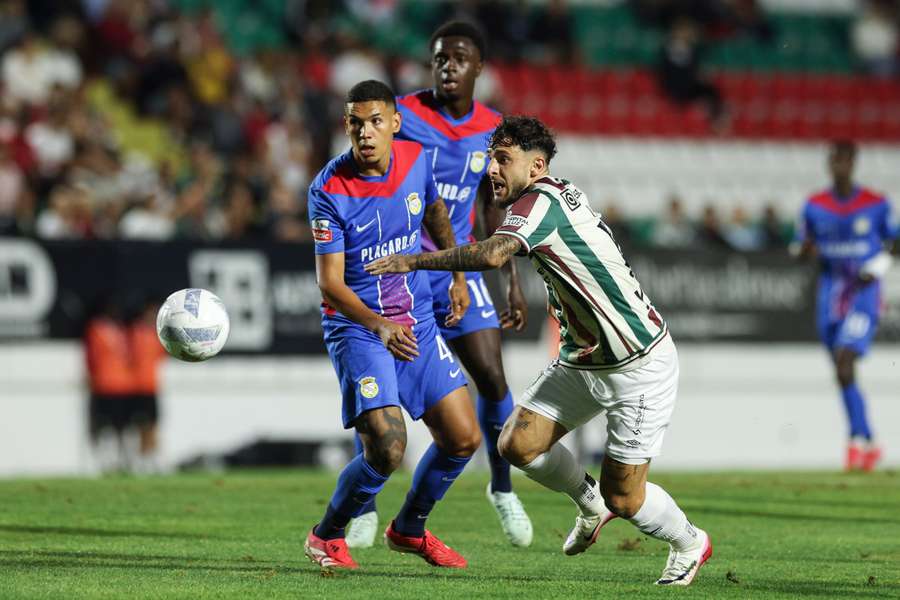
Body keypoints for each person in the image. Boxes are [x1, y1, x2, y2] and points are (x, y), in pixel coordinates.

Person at [367, 115, 713, 586]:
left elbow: (491, 253)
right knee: (517, 444)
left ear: (536, 166)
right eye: (491, 157)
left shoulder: (540, 200)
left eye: (503, 159)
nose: (492, 168)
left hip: (638, 365)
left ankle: (690, 541)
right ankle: (589, 504)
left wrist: (414, 259)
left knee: (625, 498)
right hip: (584, 360)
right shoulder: (545, 197)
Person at [345, 20, 533, 550]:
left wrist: (511, 281)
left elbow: (494, 204)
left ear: (479, 67)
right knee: (380, 392)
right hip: (402, 268)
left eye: (458, 58)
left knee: (493, 379)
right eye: (439, 58)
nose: (447, 66)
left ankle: (501, 488)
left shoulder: (493, 128)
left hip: (461, 267)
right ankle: (365, 502)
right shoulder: (402, 115)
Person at [304, 80, 481, 571]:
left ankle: (408, 529)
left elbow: (437, 214)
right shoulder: (328, 191)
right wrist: (379, 326)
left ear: (395, 124)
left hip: (418, 321)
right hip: (359, 328)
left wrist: (457, 275)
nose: (365, 133)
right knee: (387, 446)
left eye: (376, 121)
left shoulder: (417, 160)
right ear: (346, 125)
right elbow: (330, 284)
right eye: (356, 123)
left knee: (463, 437)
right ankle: (326, 535)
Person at [793, 141, 897, 471]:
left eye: (845, 160)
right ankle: (868, 440)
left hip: (863, 294)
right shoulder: (814, 205)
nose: (839, 166)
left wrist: (878, 267)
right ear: (829, 164)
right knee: (842, 374)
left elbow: (895, 243)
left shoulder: (876, 204)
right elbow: (799, 248)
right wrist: (803, 252)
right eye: (834, 160)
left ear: (854, 163)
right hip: (830, 296)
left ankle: (855, 441)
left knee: (844, 362)